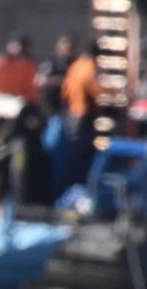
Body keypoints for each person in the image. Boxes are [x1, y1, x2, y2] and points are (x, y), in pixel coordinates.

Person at [60, 41, 106, 189]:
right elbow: (97, 90)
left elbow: (65, 92)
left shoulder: (75, 66)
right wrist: (113, 93)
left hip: (71, 115)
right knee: (84, 156)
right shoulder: (90, 67)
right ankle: (81, 187)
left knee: (71, 154)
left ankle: (68, 187)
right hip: (84, 117)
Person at [36, 35, 77, 117]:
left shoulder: (75, 63)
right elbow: (40, 80)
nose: (67, 53)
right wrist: (61, 81)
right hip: (52, 101)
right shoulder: (51, 63)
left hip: (68, 102)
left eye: (70, 49)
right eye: (64, 49)